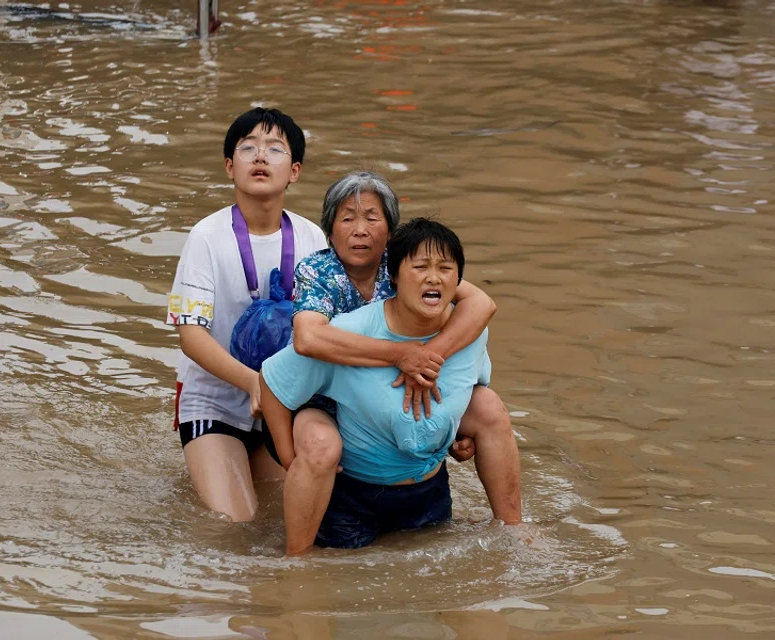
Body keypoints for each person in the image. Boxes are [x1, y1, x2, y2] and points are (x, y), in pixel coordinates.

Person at [271, 171, 522, 554]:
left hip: (396, 392)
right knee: (322, 443)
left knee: (487, 405)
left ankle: (514, 532)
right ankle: (296, 558)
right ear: (329, 229)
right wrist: (402, 355)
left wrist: (432, 363)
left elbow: (480, 304)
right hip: (324, 393)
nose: (359, 230)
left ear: (390, 230)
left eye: (371, 218)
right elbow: (307, 340)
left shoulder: (411, 262)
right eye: (347, 218)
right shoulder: (318, 271)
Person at [165, 107, 327, 521]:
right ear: (228, 166)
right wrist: (254, 383)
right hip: (215, 400)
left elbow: (330, 330)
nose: (259, 157)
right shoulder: (205, 237)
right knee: (235, 525)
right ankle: (205, 453)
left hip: (286, 403)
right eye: (248, 148)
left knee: (281, 519)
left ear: (294, 171)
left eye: (274, 149)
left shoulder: (312, 237)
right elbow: (191, 336)